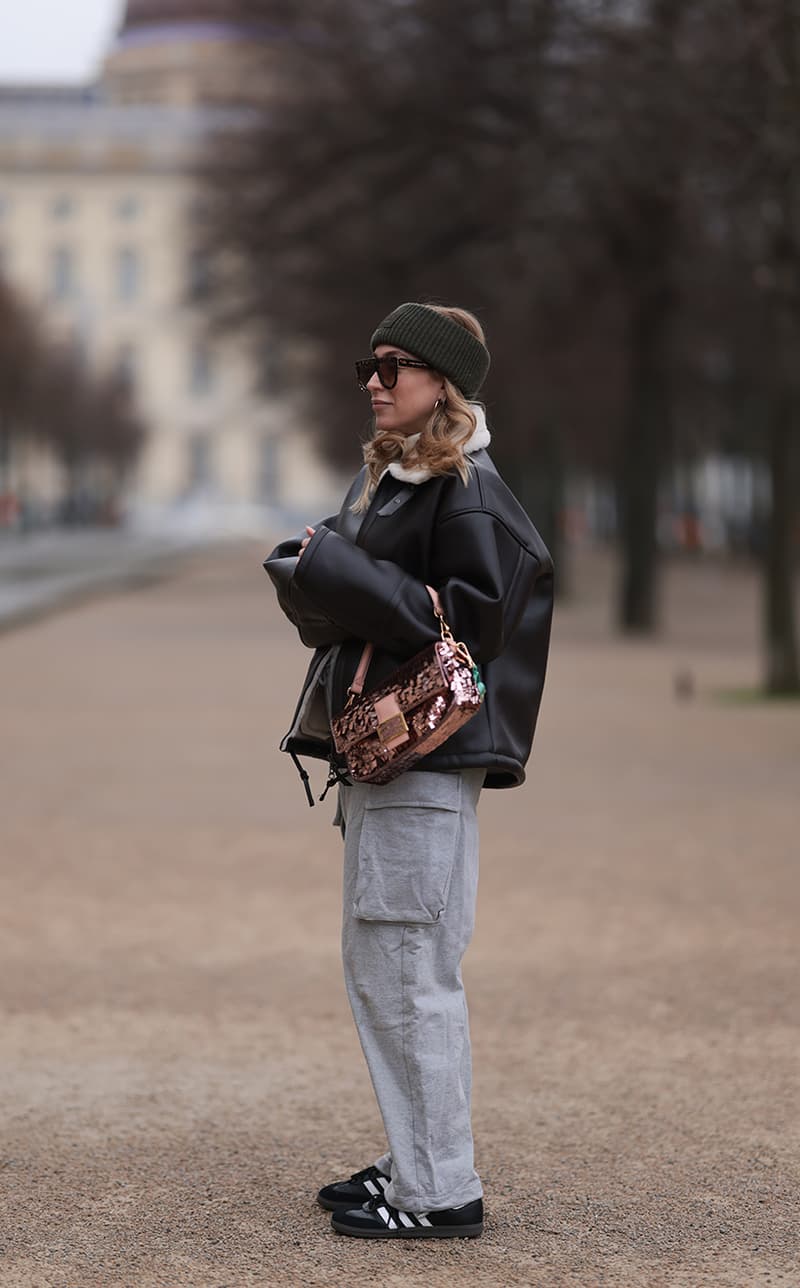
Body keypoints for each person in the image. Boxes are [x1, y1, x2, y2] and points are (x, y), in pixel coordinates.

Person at [264, 302, 554, 1239]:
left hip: (424, 765)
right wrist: (321, 574)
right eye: (371, 366)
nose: (377, 381)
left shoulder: (465, 489)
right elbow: (388, 610)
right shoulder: (407, 481)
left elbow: (473, 628)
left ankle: (437, 1193)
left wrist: (348, 576)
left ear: (445, 383)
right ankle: (419, 1157)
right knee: (388, 964)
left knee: (407, 970)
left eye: (396, 366)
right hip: (394, 765)